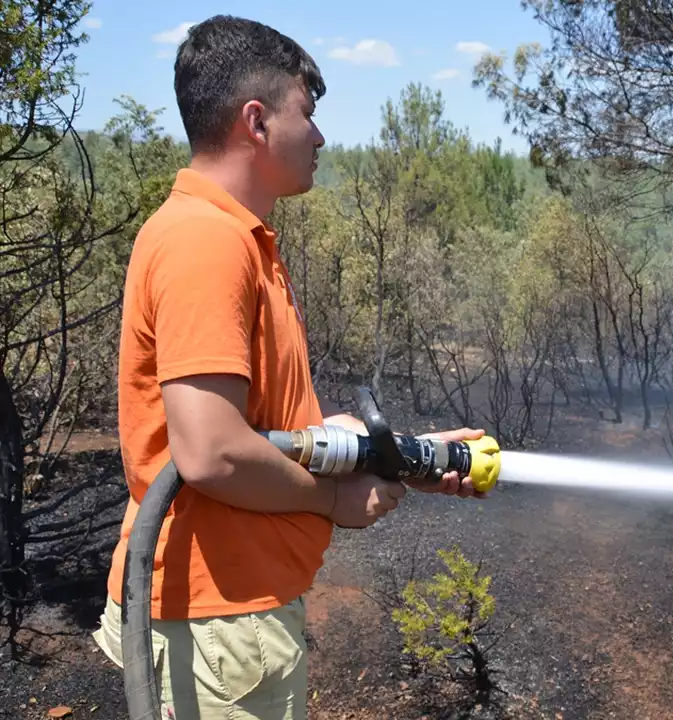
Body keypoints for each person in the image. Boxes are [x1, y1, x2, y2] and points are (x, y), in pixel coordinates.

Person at [91, 15, 485, 719]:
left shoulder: (234, 238)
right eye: (307, 112)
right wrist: (332, 501)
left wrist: (407, 457)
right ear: (256, 121)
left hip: (227, 618)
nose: (321, 136)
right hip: (220, 621)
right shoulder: (206, 243)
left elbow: (263, 430)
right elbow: (211, 452)